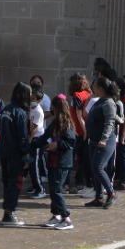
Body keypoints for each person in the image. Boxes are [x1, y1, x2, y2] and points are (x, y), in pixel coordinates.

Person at [0, 82, 31, 226]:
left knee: (7, 182)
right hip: (15, 153)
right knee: (15, 182)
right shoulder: (20, 113)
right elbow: (22, 137)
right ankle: (9, 212)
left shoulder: (6, 110)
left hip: (4, 151)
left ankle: (7, 210)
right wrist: (26, 156)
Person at [42, 95, 77, 230]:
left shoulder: (67, 123)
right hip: (53, 160)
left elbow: (71, 141)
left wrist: (57, 144)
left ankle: (66, 218)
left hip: (62, 162)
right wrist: (31, 145)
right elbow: (45, 137)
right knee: (53, 189)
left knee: (56, 189)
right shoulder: (55, 122)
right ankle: (56, 215)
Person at [84, 76, 119, 208]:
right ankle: (99, 197)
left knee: (98, 167)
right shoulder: (99, 100)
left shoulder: (108, 102)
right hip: (94, 140)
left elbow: (110, 122)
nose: (92, 88)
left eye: (94, 86)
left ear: (100, 88)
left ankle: (111, 193)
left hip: (105, 141)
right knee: (94, 168)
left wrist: (104, 139)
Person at [27, 84, 48, 199]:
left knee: (35, 164)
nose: (32, 100)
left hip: (36, 139)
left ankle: (40, 189)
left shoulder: (39, 111)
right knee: (31, 164)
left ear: (39, 100)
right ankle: (35, 186)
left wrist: (30, 140)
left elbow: (34, 128)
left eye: (34, 99)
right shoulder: (31, 108)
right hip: (32, 137)